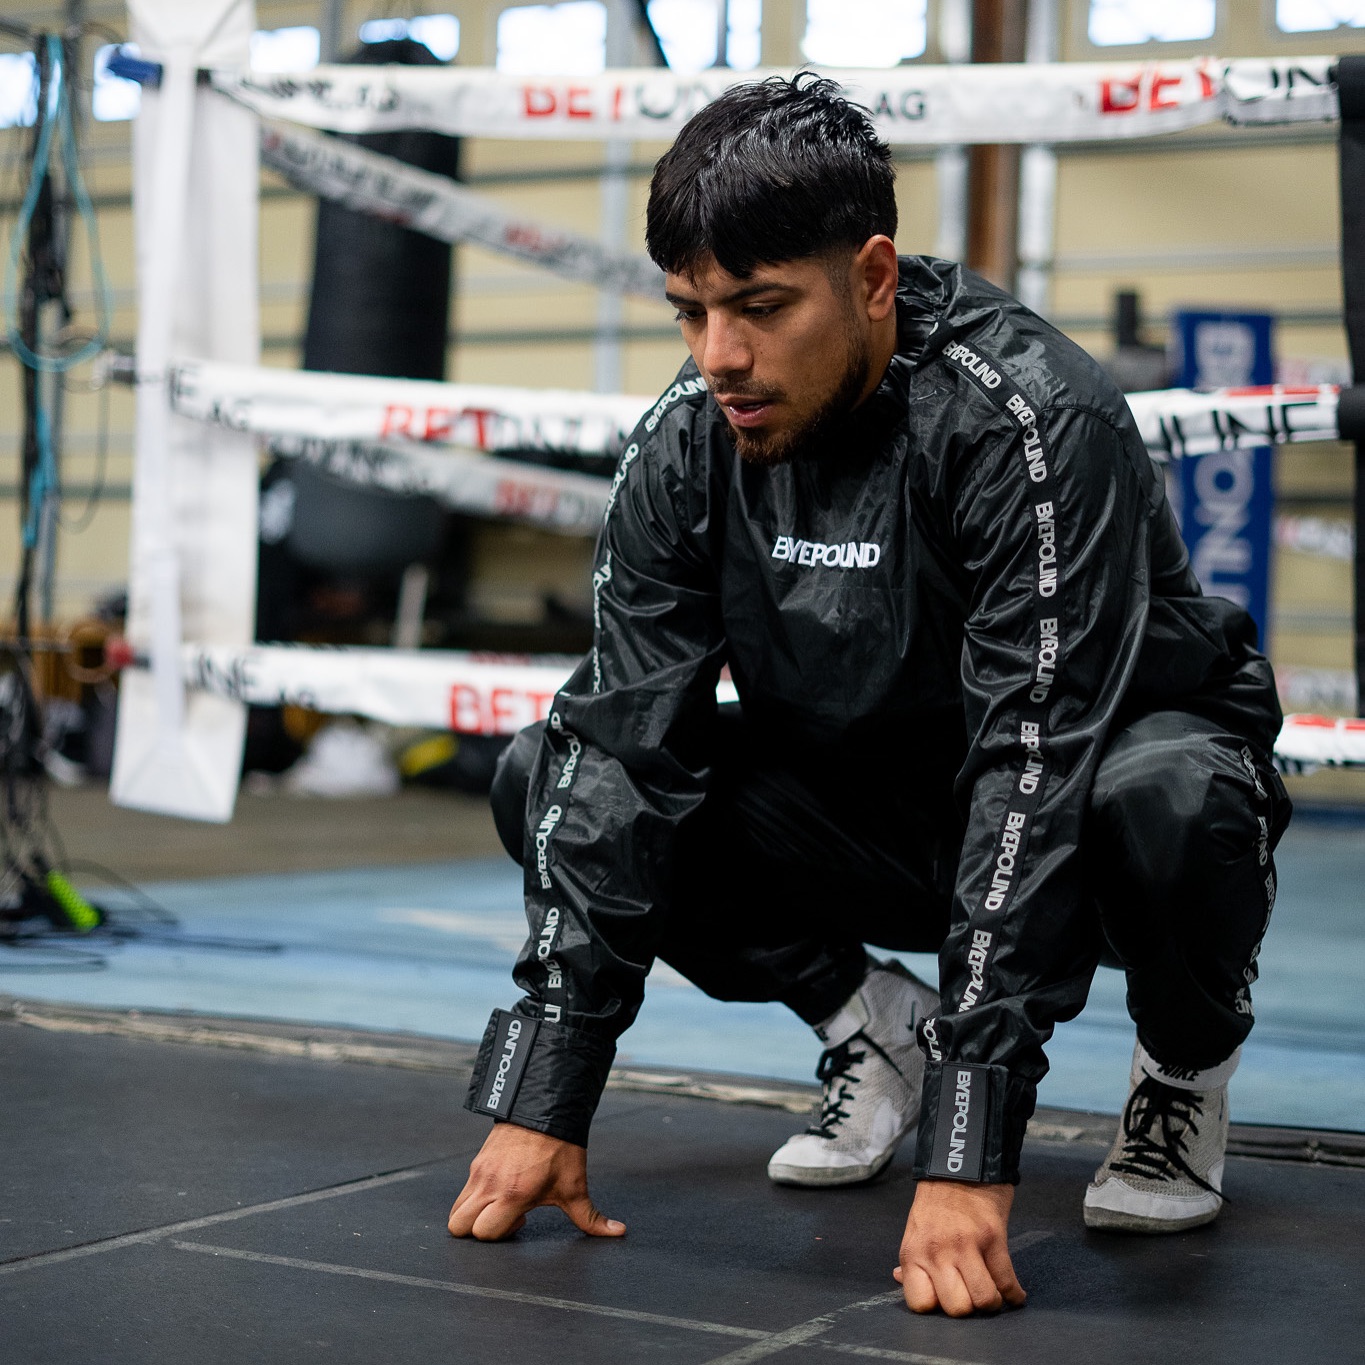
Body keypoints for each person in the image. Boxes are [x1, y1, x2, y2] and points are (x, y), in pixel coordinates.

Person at [448, 74, 1290, 1317]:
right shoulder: (691, 439)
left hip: (1084, 820)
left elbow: (1034, 765)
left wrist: (971, 1149)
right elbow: (627, 746)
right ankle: (868, 1024)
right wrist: (548, 1086)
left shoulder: (1031, 421)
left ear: (875, 277)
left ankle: (1183, 1068)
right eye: (689, 313)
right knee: (549, 777)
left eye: (761, 307)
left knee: (1169, 795)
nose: (719, 356)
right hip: (872, 813)